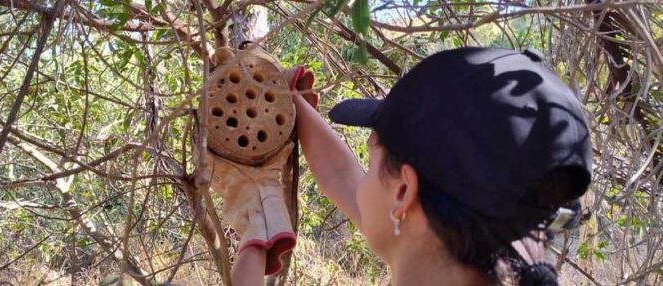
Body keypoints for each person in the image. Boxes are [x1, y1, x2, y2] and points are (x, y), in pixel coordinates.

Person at [228, 47, 592, 286]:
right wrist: (288, 101)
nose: (362, 177)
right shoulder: (441, 236)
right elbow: (342, 177)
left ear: (404, 192)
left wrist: (255, 228)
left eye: (371, 160)